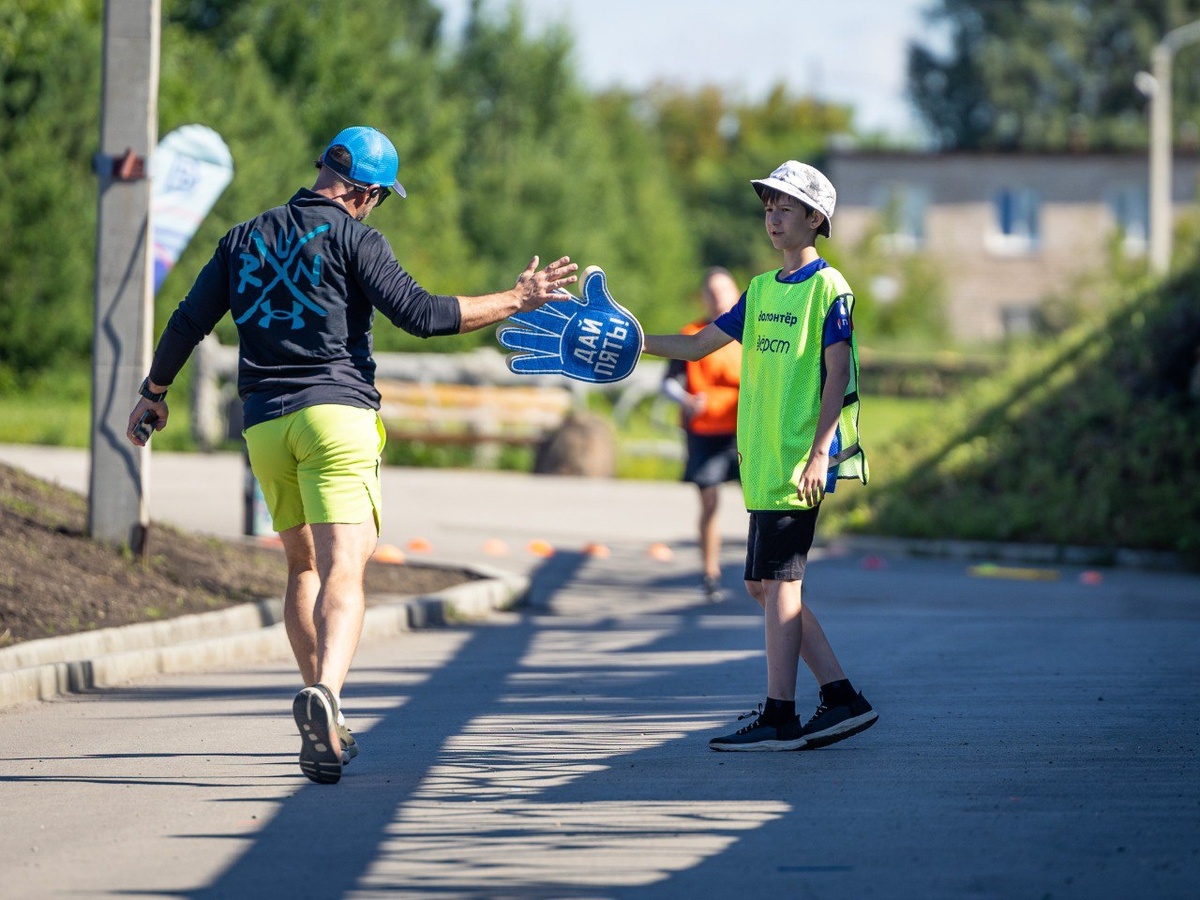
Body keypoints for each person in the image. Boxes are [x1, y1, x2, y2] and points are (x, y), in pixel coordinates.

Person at [126, 125, 577, 783]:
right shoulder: (356, 238)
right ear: (364, 193)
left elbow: (188, 321)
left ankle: (322, 716)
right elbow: (422, 314)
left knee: (300, 568)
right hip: (336, 416)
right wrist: (516, 299)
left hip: (263, 425)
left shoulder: (243, 238)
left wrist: (154, 393)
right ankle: (328, 696)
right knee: (345, 568)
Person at [642, 160, 875, 751]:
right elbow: (698, 344)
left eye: (785, 208)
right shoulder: (762, 290)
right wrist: (632, 341)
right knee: (762, 585)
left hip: (799, 463)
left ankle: (780, 714)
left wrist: (820, 452)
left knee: (780, 584)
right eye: (768, 208)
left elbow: (837, 373)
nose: (773, 218)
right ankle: (842, 697)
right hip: (763, 465)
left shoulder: (830, 288)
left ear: (815, 219)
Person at [660, 267, 742, 602]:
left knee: (762, 506)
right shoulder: (693, 333)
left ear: (736, 293)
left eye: (724, 290)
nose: (718, 296)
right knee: (709, 503)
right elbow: (668, 382)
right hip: (705, 432)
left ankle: (775, 572)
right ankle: (710, 573)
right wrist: (685, 399)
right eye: (711, 291)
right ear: (704, 297)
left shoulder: (751, 333)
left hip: (743, 431)